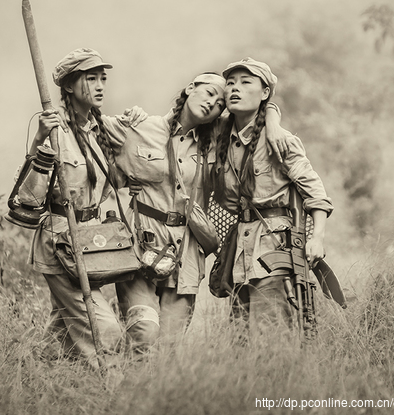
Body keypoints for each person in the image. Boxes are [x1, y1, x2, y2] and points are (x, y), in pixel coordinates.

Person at [102, 73, 287, 351]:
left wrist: (272, 119)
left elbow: (255, 113)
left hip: (185, 250)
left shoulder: (217, 139)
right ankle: (128, 381)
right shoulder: (141, 127)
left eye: (220, 103)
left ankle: (152, 392)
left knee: (170, 344)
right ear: (191, 88)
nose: (212, 102)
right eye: (209, 92)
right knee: (143, 332)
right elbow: (87, 125)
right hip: (140, 241)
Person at [25, 48, 136, 366]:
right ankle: (112, 398)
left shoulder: (103, 131)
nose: (100, 85)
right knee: (106, 331)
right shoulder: (55, 132)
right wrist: (40, 141)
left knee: (61, 338)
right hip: (61, 244)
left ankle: (35, 380)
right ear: (70, 86)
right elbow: (31, 198)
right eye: (91, 78)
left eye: (103, 78)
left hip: (91, 245)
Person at [208, 57, 333, 335]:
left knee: (272, 333)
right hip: (239, 247)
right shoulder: (220, 137)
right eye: (230, 83)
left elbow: (315, 192)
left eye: (246, 82)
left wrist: (317, 238)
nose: (235, 89)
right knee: (240, 335)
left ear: (264, 93)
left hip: (275, 241)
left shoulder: (279, 139)